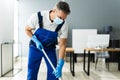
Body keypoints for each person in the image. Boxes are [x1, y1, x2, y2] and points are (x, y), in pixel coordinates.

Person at [25, 1, 71, 80]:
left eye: (64, 18)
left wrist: (60, 64)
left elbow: (62, 45)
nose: (62, 20)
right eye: (60, 17)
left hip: (50, 49)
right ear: (54, 11)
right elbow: (27, 29)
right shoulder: (37, 16)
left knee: (53, 72)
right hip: (35, 47)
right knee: (32, 71)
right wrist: (35, 40)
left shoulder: (64, 25)